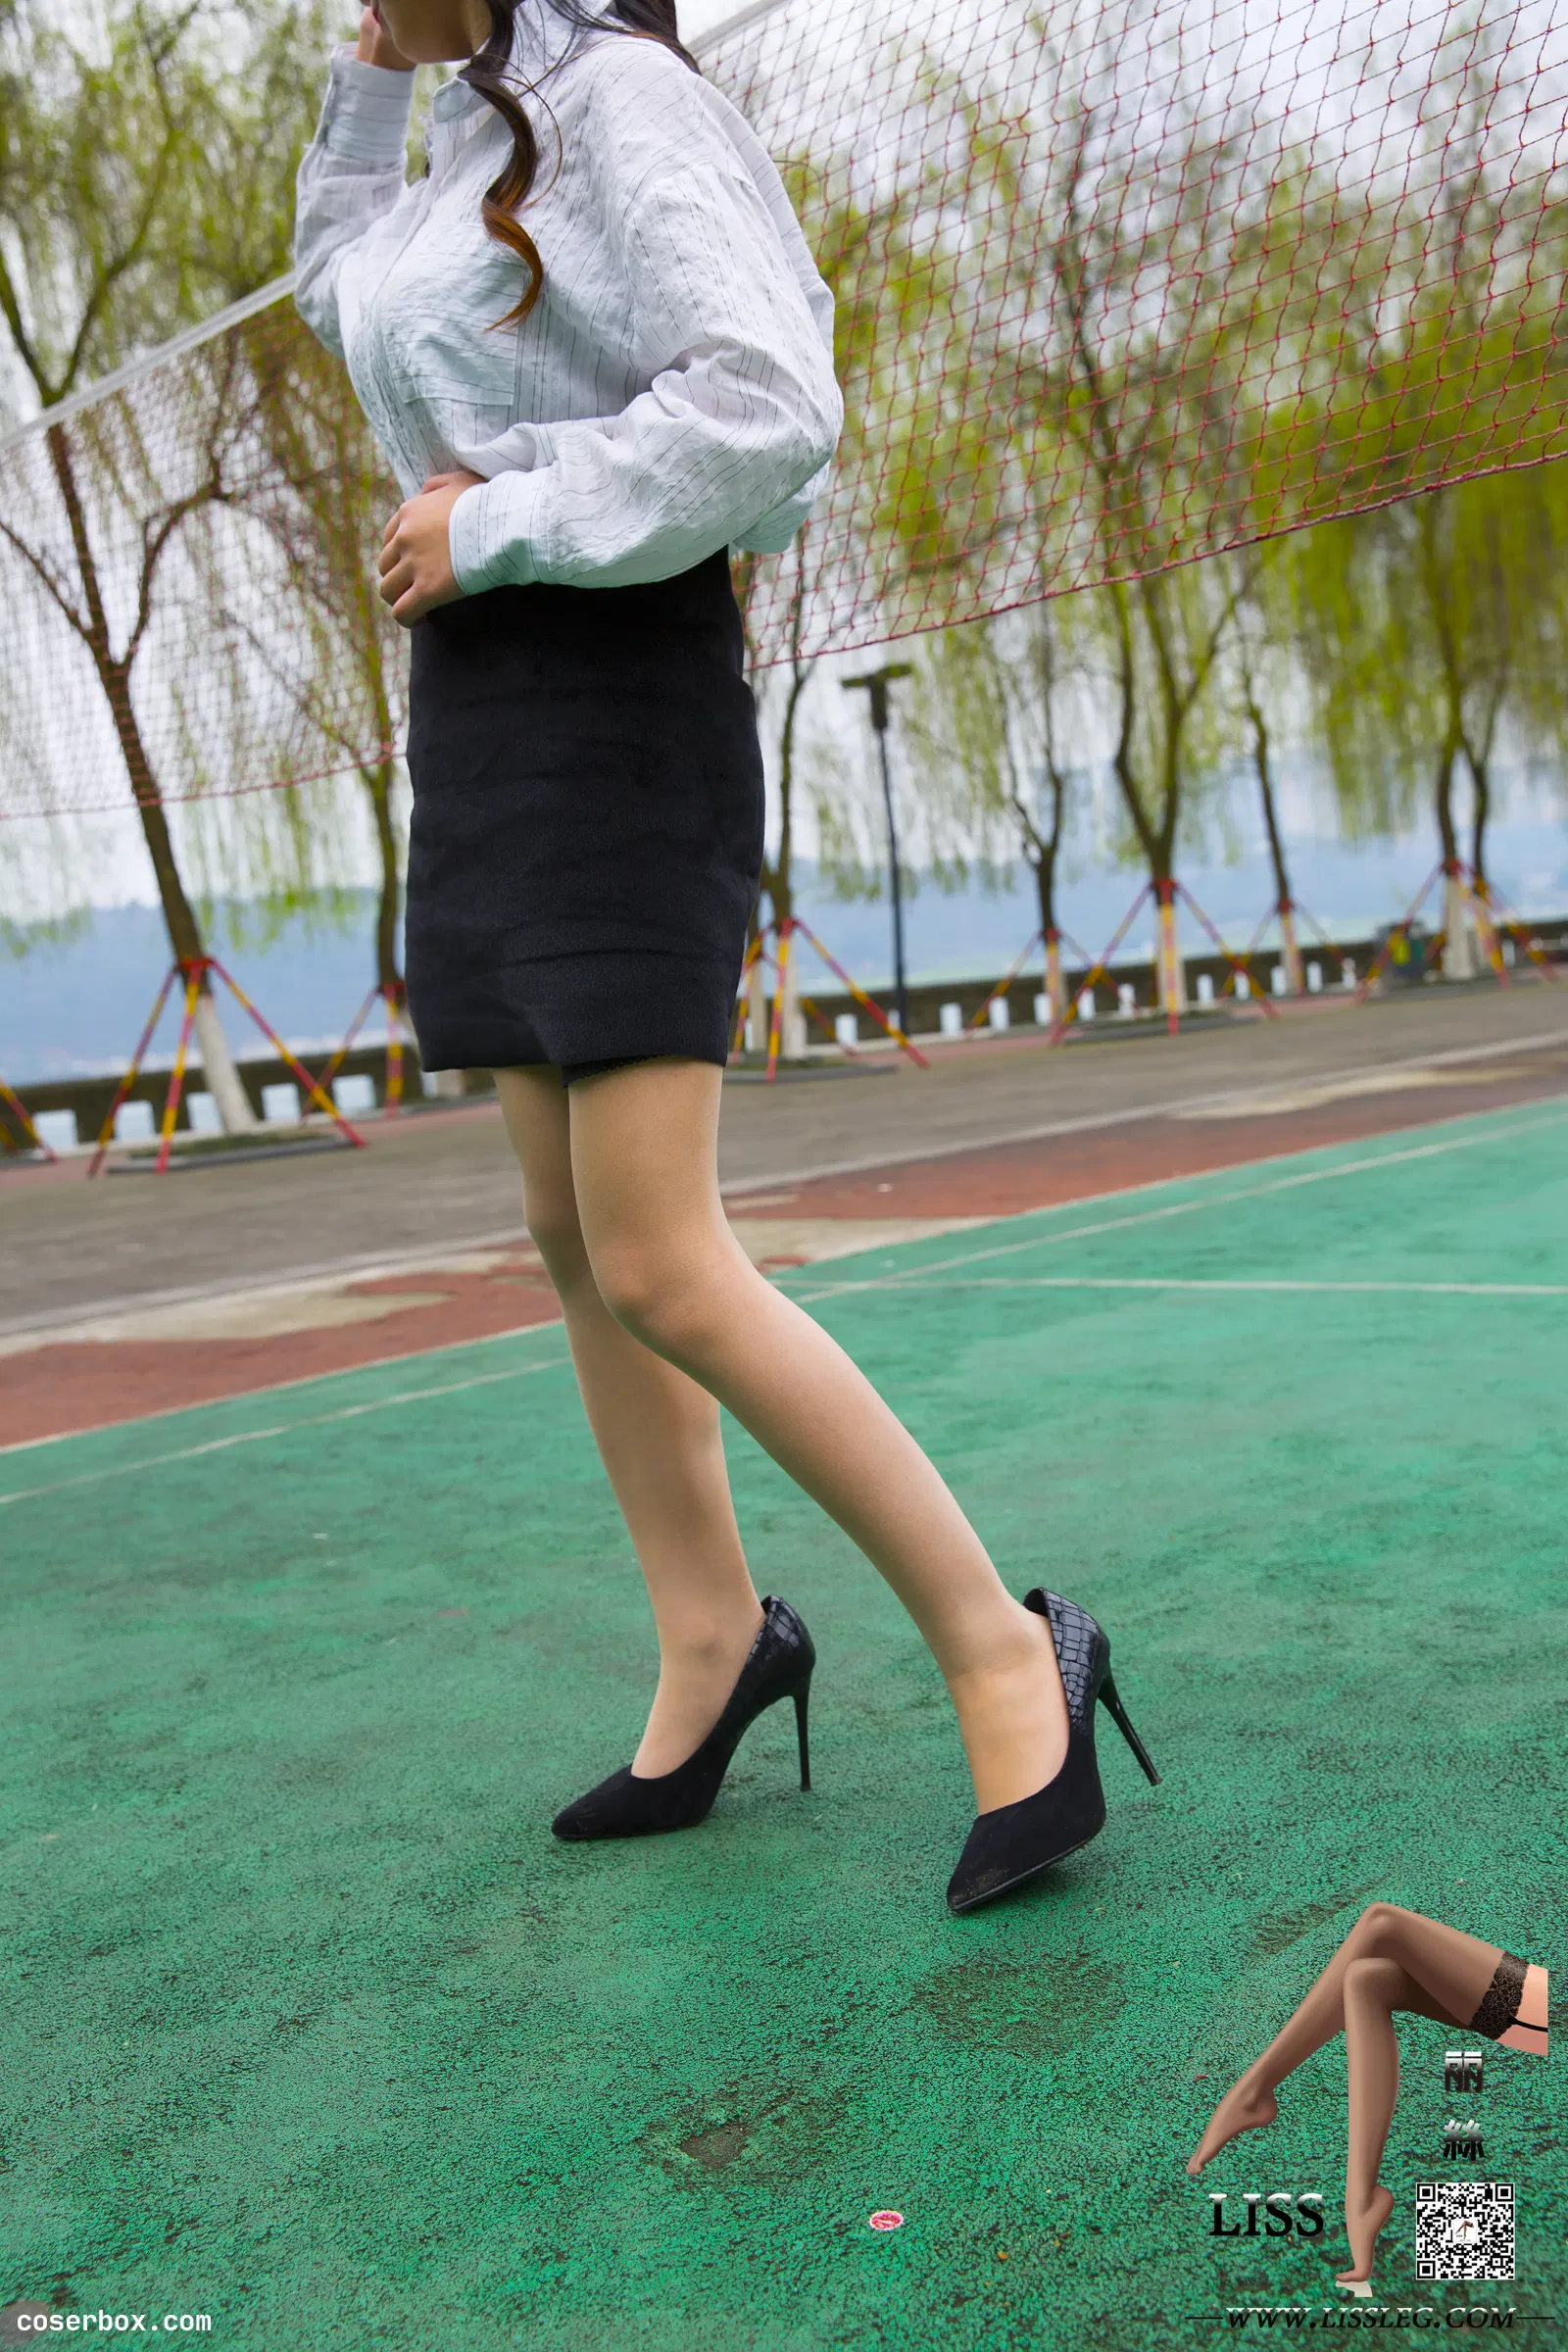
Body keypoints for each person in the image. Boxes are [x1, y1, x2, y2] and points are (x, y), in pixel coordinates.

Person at [293, 0, 1158, 1910]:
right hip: (480, 713)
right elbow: (339, 294)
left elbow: (770, 402)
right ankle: (712, 1640)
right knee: (568, 1236)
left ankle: (1009, 1650)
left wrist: (496, 521)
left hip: (619, 693)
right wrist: (367, 74)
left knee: (662, 1258)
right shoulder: (454, 142)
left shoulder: (621, 99)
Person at [1188, 1903, 1548, 2290]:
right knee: (1364, 1980)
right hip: (1538, 2006)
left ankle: (1254, 2091)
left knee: (1382, 1923)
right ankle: (1362, 2197)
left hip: (1549, 2009)